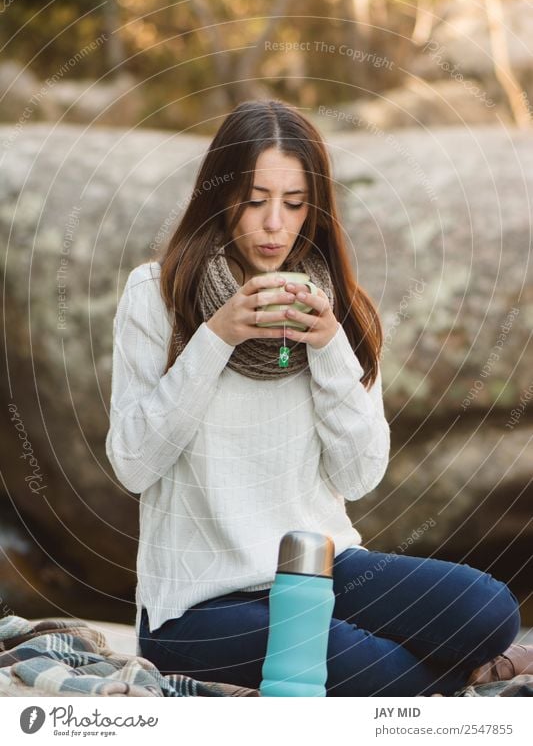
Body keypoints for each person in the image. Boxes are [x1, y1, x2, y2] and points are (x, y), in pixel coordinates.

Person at [106, 98, 531, 696]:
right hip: (197, 606)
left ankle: (422, 661)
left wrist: (331, 345)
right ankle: (443, 670)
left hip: (321, 572)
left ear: (316, 209)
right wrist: (215, 338)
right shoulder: (156, 295)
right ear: (219, 196)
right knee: (370, 667)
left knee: (488, 610)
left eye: (295, 203)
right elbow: (133, 462)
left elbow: (358, 476)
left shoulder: (341, 311)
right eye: (255, 201)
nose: (275, 224)